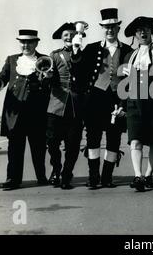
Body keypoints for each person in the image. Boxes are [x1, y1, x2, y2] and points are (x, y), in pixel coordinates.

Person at [72, 8, 132, 189]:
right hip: (95, 98)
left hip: (117, 98)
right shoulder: (91, 49)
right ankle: (93, 176)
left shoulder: (129, 50)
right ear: (102, 29)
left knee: (114, 139)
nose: (110, 30)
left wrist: (125, 103)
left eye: (113, 27)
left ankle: (107, 177)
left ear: (118, 28)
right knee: (93, 138)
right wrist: (76, 51)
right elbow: (79, 71)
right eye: (106, 28)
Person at [0, 29, 50, 190]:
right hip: (15, 111)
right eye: (23, 42)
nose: (25, 45)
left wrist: (47, 80)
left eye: (29, 42)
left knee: (38, 146)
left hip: (36, 111)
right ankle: (13, 179)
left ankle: (41, 176)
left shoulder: (45, 60)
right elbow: (3, 76)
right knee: (15, 147)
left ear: (36, 43)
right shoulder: (11, 60)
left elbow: (49, 84)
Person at [122, 16, 153, 192]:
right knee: (135, 139)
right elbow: (123, 82)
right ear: (135, 35)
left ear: (151, 32)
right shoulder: (130, 55)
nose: (143, 33)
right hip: (133, 101)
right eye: (139, 30)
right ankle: (138, 175)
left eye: (146, 29)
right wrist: (121, 104)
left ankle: (148, 175)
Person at [46, 22, 86, 189]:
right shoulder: (54, 55)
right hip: (56, 103)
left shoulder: (85, 54)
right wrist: (47, 76)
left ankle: (66, 174)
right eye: (65, 35)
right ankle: (56, 169)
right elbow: (48, 75)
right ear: (62, 38)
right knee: (52, 141)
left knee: (73, 144)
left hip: (76, 105)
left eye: (72, 34)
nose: (69, 37)